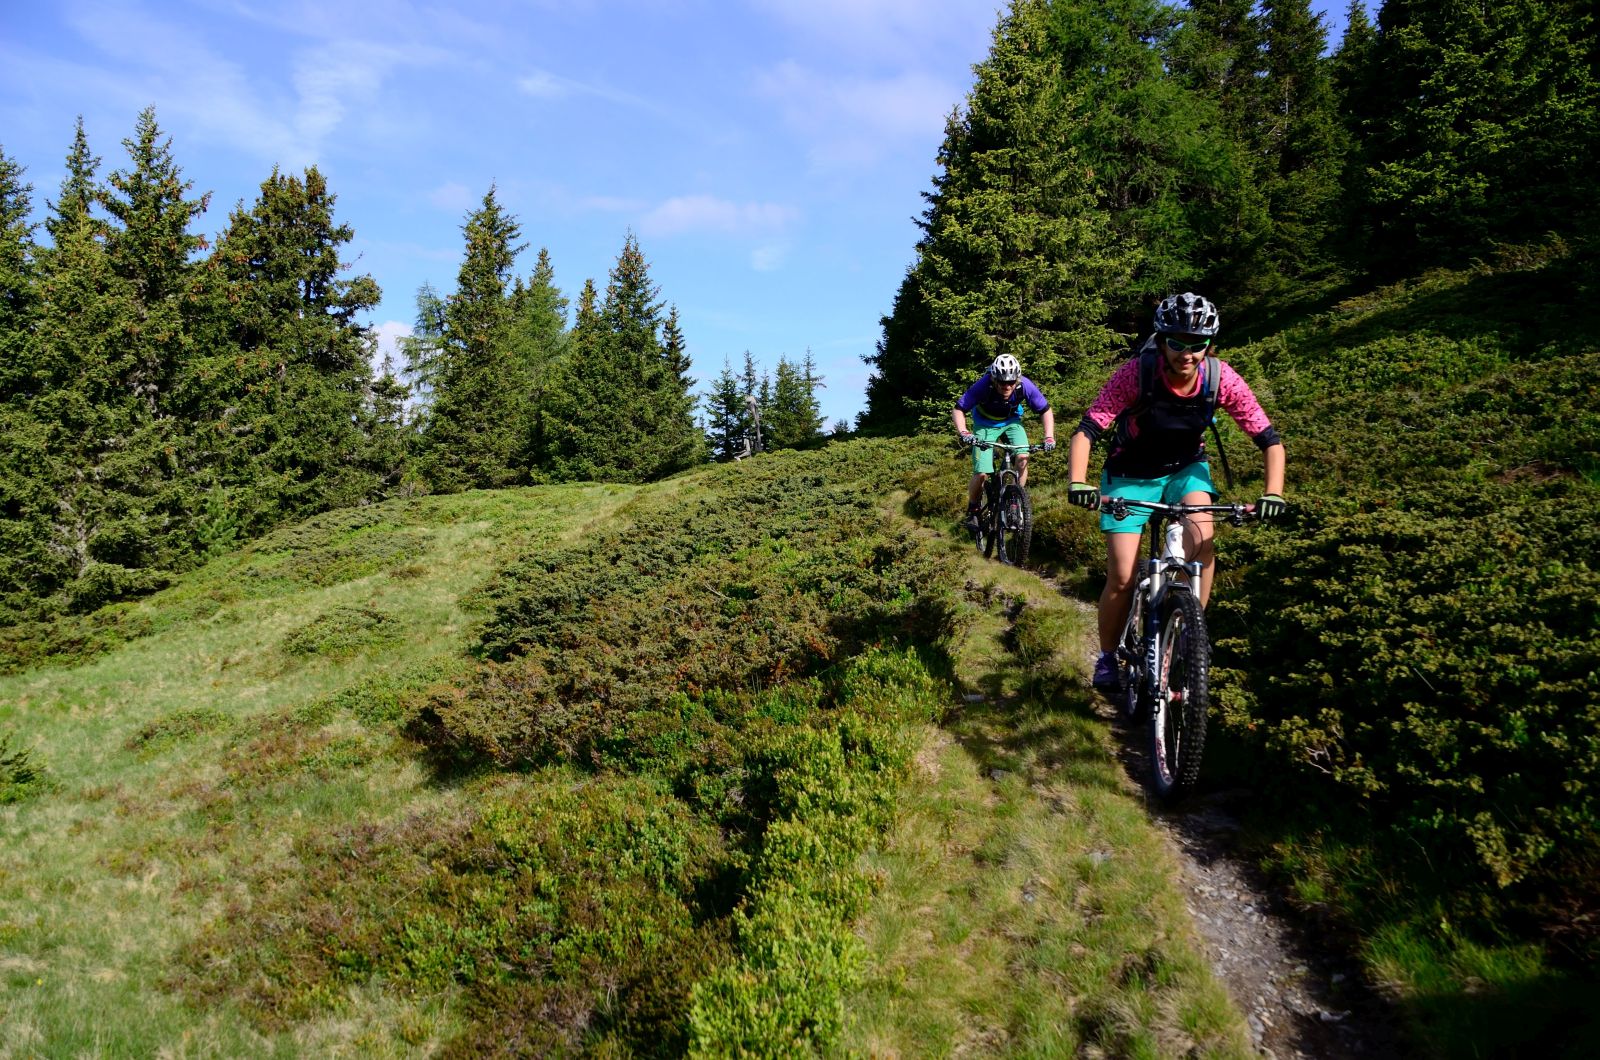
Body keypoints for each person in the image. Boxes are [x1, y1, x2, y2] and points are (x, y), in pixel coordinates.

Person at [1064, 292, 1287, 693]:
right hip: (1129, 473)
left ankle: (1188, 631)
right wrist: (1079, 482)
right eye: (1177, 342)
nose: (1187, 353)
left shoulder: (1221, 378)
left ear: (1209, 344)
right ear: (1162, 340)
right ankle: (1108, 657)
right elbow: (1088, 430)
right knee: (1121, 577)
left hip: (1186, 470)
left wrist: (1273, 492)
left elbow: (1269, 439)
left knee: (1202, 540)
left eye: (1197, 344)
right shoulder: (1136, 374)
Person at [953, 353, 1056, 531]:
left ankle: (1015, 501)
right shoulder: (983, 385)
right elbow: (958, 409)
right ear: (994, 379)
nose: (1007, 386)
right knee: (982, 474)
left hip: (1011, 422)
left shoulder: (1025, 385)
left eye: (1011, 382)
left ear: (1017, 379)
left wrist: (1049, 436)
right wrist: (964, 432)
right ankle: (973, 509)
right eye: (1002, 382)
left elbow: (1045, 410)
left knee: (1023, 457)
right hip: (985, 424)